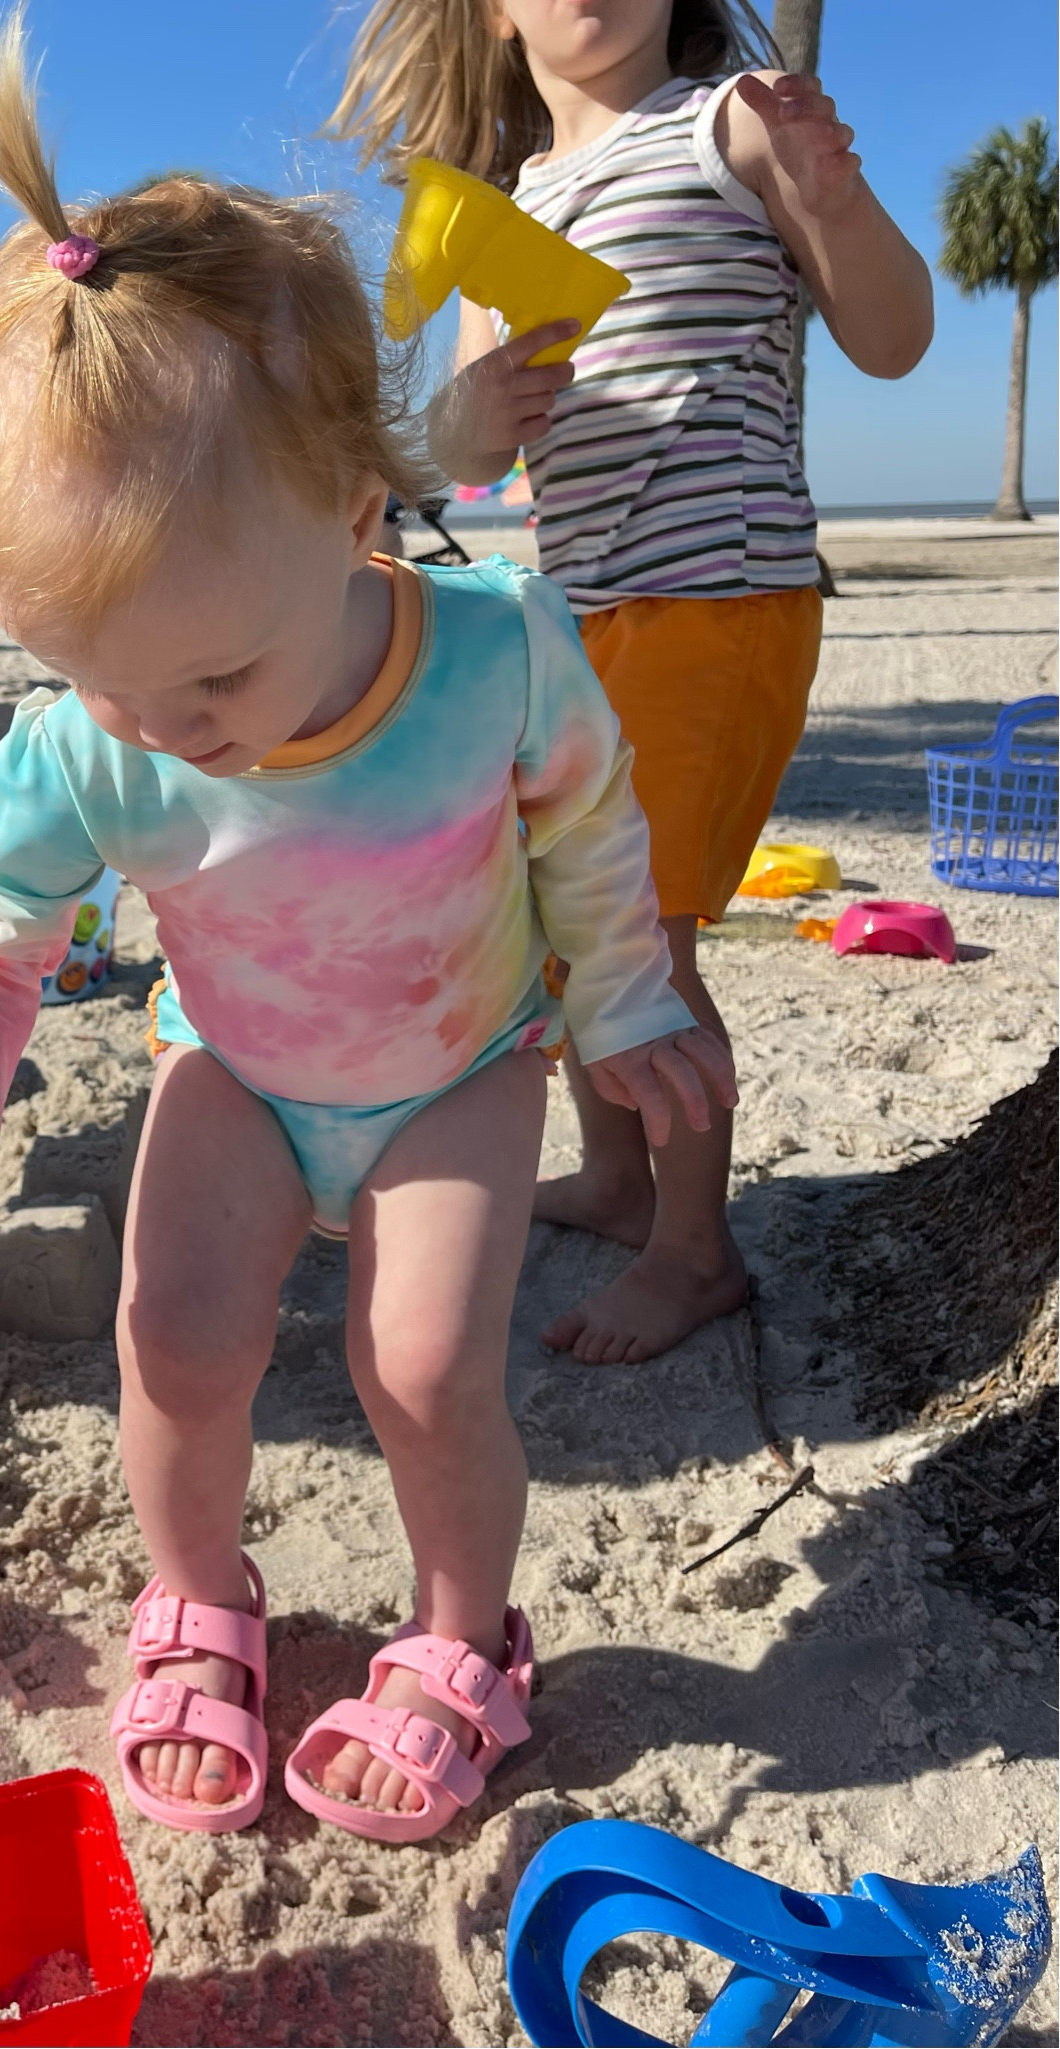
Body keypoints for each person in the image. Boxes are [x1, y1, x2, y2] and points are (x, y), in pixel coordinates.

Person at [0, 16, 733, 1844]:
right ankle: (203, 1600)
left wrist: (627, 1002)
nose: (164, 726)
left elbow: (586, 823)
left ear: (354, 499)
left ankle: (465, 1633)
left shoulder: (495, 652)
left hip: (454, 1069)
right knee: (170, 1336)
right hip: (231, 1063)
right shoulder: (102, 728)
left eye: (214, 673)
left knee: (419, 1370)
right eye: (102, 679)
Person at [332, 0, 932, 1364]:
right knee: (563, 922)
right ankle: (613, 1183)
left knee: (644, 944)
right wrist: (465, 424)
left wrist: (831, 197)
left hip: (719, 596)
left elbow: (892, 337)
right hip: (569, 617)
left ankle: (691, 1250)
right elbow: (454, 443)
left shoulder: (735, 123)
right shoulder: (502, 208)